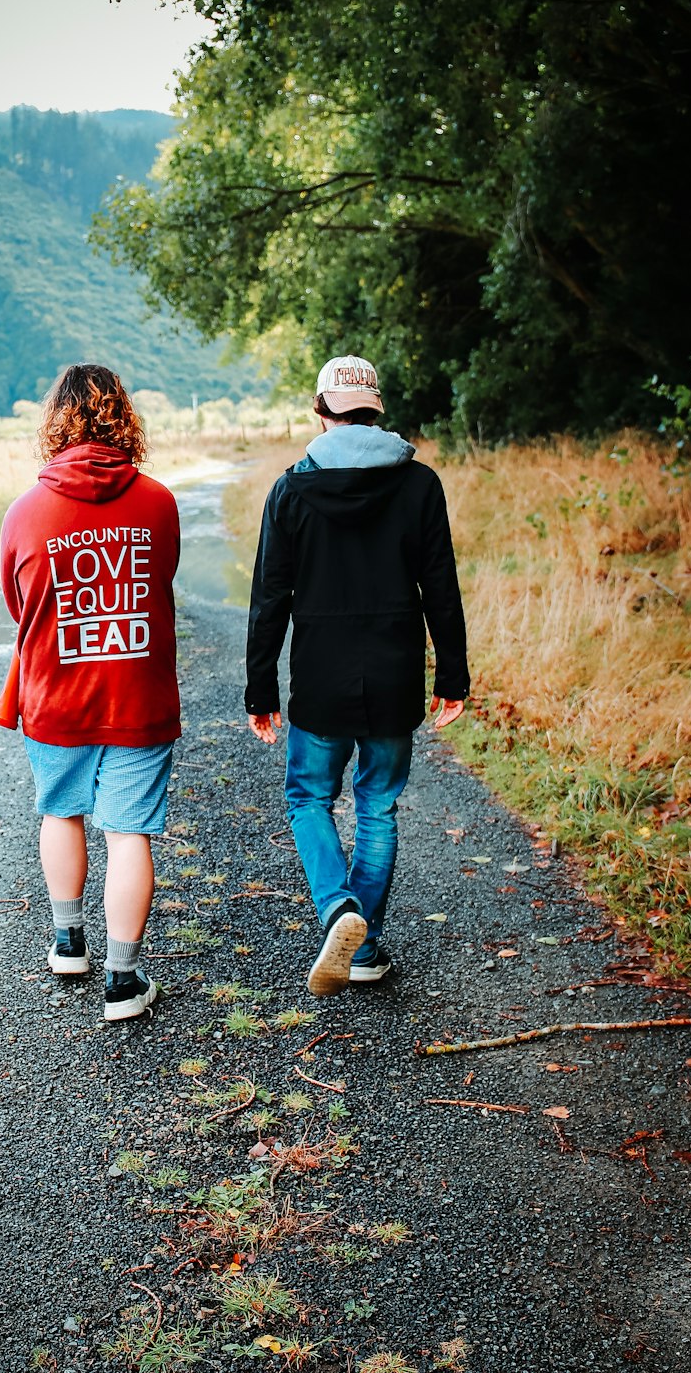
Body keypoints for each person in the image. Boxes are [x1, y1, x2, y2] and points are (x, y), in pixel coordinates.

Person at [244, 353, 469, 996]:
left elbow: (269, 599)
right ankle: (364, 944)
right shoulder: (420, 484)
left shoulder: (290, 490)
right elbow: (441, 589)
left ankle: (338, 907)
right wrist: (452, 676)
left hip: (319, 679)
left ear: (321, 413)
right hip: (396, 674)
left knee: (308, 797)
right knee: (377, 804)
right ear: (376, 410)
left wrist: (262, 688)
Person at [0, 364, 181, 1021]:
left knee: (61, 811)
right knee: (129, 835)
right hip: (138, 699)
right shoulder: (158, 502)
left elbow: (21, 606)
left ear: (56, 422)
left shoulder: (24, 511)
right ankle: (123, 982)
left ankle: (69, 942)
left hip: (56, 697)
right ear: (124, 418)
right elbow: (163, 576)